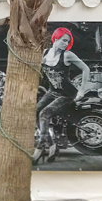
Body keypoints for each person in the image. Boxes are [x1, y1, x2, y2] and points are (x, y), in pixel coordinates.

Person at [34, 27, 91, 162]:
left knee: (44, 114)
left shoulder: (67, 55)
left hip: (67, 94)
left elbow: (86, 69)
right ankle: (52, 144)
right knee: (35, 111)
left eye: (67, 41)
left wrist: (82, 90)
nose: (66, 44)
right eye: (63, 40)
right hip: (52, 91)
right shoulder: (44, 53)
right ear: (55, 38)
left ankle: (40, 147)